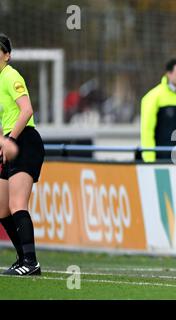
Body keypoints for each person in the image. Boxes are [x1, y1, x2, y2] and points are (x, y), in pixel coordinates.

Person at [0, 33, 45, 276]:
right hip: (10, 143)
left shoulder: (10, 75)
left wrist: (10, 139)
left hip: (24, 141)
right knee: (1, 209)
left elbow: (26, 110)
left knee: (17, 203)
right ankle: (22, 259)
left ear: (7, 55)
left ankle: (31, 261)